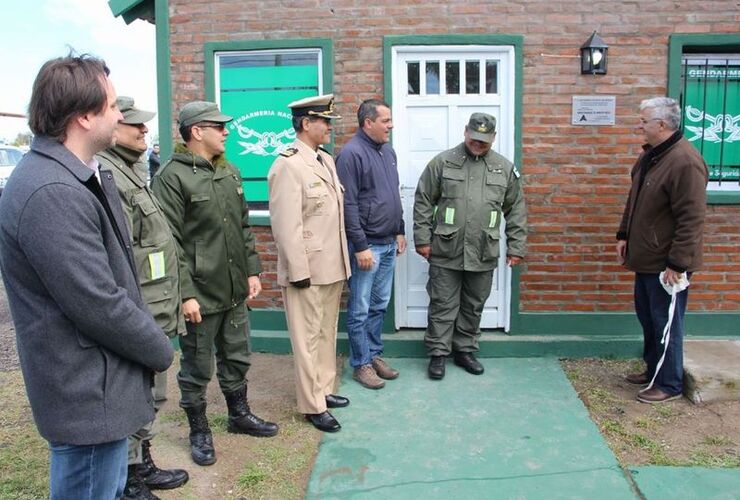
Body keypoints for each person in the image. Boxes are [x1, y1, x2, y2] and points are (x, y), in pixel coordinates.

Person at [0, 53, 174, 500]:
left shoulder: (72, 175)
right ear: (82, 116)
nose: (120, 116)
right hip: (86, 391)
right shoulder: (51, 190)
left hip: (97, 383)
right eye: (113, 106)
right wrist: (158, 348)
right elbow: (97, 300)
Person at [152, 101, 278, 467]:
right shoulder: (171, 178)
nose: (226, 131)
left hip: (234, 290)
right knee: (197, 367)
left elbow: (243, 228)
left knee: (237, 356)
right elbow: (169, 242)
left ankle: (239, 415)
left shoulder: (230, 172)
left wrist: (252, 271)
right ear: (196, 132)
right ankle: (199, 430)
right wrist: (185, 294)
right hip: (200, 296)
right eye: (218, 126)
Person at [96, 96, 189, 499]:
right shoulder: (109, 176)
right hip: (141, 306)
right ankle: (130, 478)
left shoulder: (130, 171)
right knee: (136, 391)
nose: (144, 130)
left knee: (152, 390)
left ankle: (142, 462)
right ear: (113, 129)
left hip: (157, 302)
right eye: (135, 125)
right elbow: (120, 253)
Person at [413, 112, 527, 380]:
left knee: (473, 304)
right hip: (445, 248)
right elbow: (423, 200)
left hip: (483, 250)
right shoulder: (443, 162)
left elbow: (516, 209)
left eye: (484, 140)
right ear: (466, 132)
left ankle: (464, 350)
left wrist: (516, 246)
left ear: (493, 138)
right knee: (442, 304)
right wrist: (422, 238)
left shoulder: (504, 168)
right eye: (474, 138)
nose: (478, 143)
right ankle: (438, 354)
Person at [268, 94, 351, 432]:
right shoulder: (288, 164)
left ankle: (324, 388)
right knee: (307, 338)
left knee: (325, 331)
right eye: (324, 121)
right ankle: (312, 404)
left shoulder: (324, 160)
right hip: (308, 269)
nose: (329, 126)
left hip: (332, 264)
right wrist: (298, 271)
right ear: (306, 124)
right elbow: (286, 227)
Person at [617, 97, 708, 404]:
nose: (639, 125)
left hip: (667, 263)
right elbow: (636, 199)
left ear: (662, 124)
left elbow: (692, 218)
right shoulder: (652, 156)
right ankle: (655, 369)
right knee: (649, 317)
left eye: (643, 121)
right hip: (646, 258)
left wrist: (678, 263)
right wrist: (624, 233)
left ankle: (669, 383)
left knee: (667, 321)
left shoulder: (685, 162)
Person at [336, 98, 405, 390]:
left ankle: (374, 355)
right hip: (368, 248)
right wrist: (361, 246)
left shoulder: (388, 152)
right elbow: (348, 205)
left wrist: (399, 229)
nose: (390, 125)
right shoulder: (351, 155)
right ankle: (361, 363)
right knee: (360, 308)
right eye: (385, 121)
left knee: (379, 305)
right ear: (368, 123)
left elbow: (394, 194)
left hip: (388, 242)